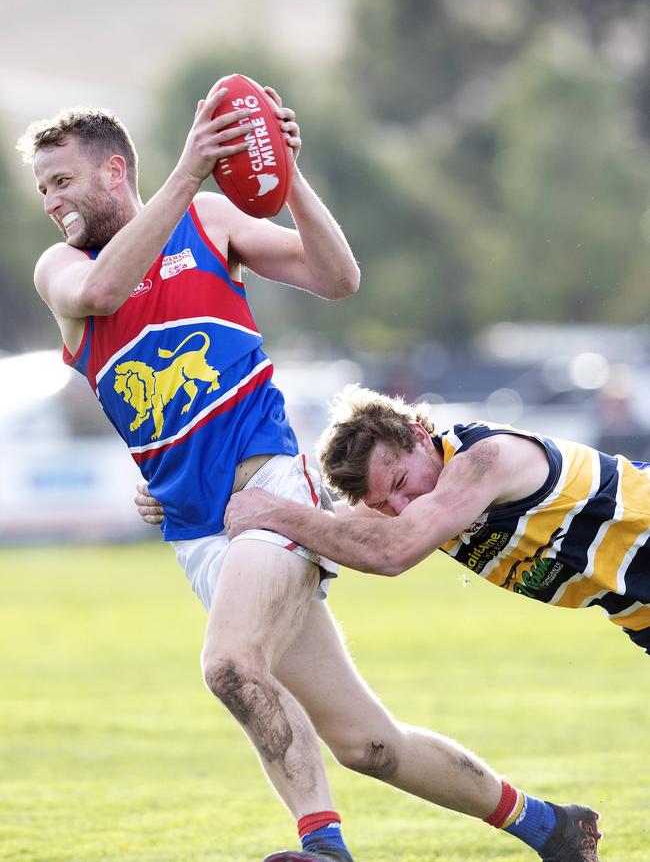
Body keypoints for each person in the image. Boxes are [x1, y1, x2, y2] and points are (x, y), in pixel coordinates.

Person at [19, 87, 600, 862]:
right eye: (42, 187)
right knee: (368, 744)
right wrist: (191, 170)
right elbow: (101, 293)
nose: (50, 199)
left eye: (62, 181)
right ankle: (552, 828)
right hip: (200, 533)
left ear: (114, 170)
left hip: (274, 497)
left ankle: (325, 848)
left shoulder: (209, 222)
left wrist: (288, 176)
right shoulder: (62, 269)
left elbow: (337, 279)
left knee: (229, 665)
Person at [221, 384, 650, 656]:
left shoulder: (484, 459)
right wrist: (184, 502)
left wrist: (272, 511)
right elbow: (329, 522)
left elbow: (391, 551)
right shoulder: (419, 498)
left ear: (421, 438)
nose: (402, 508)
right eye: (384, 503)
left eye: (402, 482)